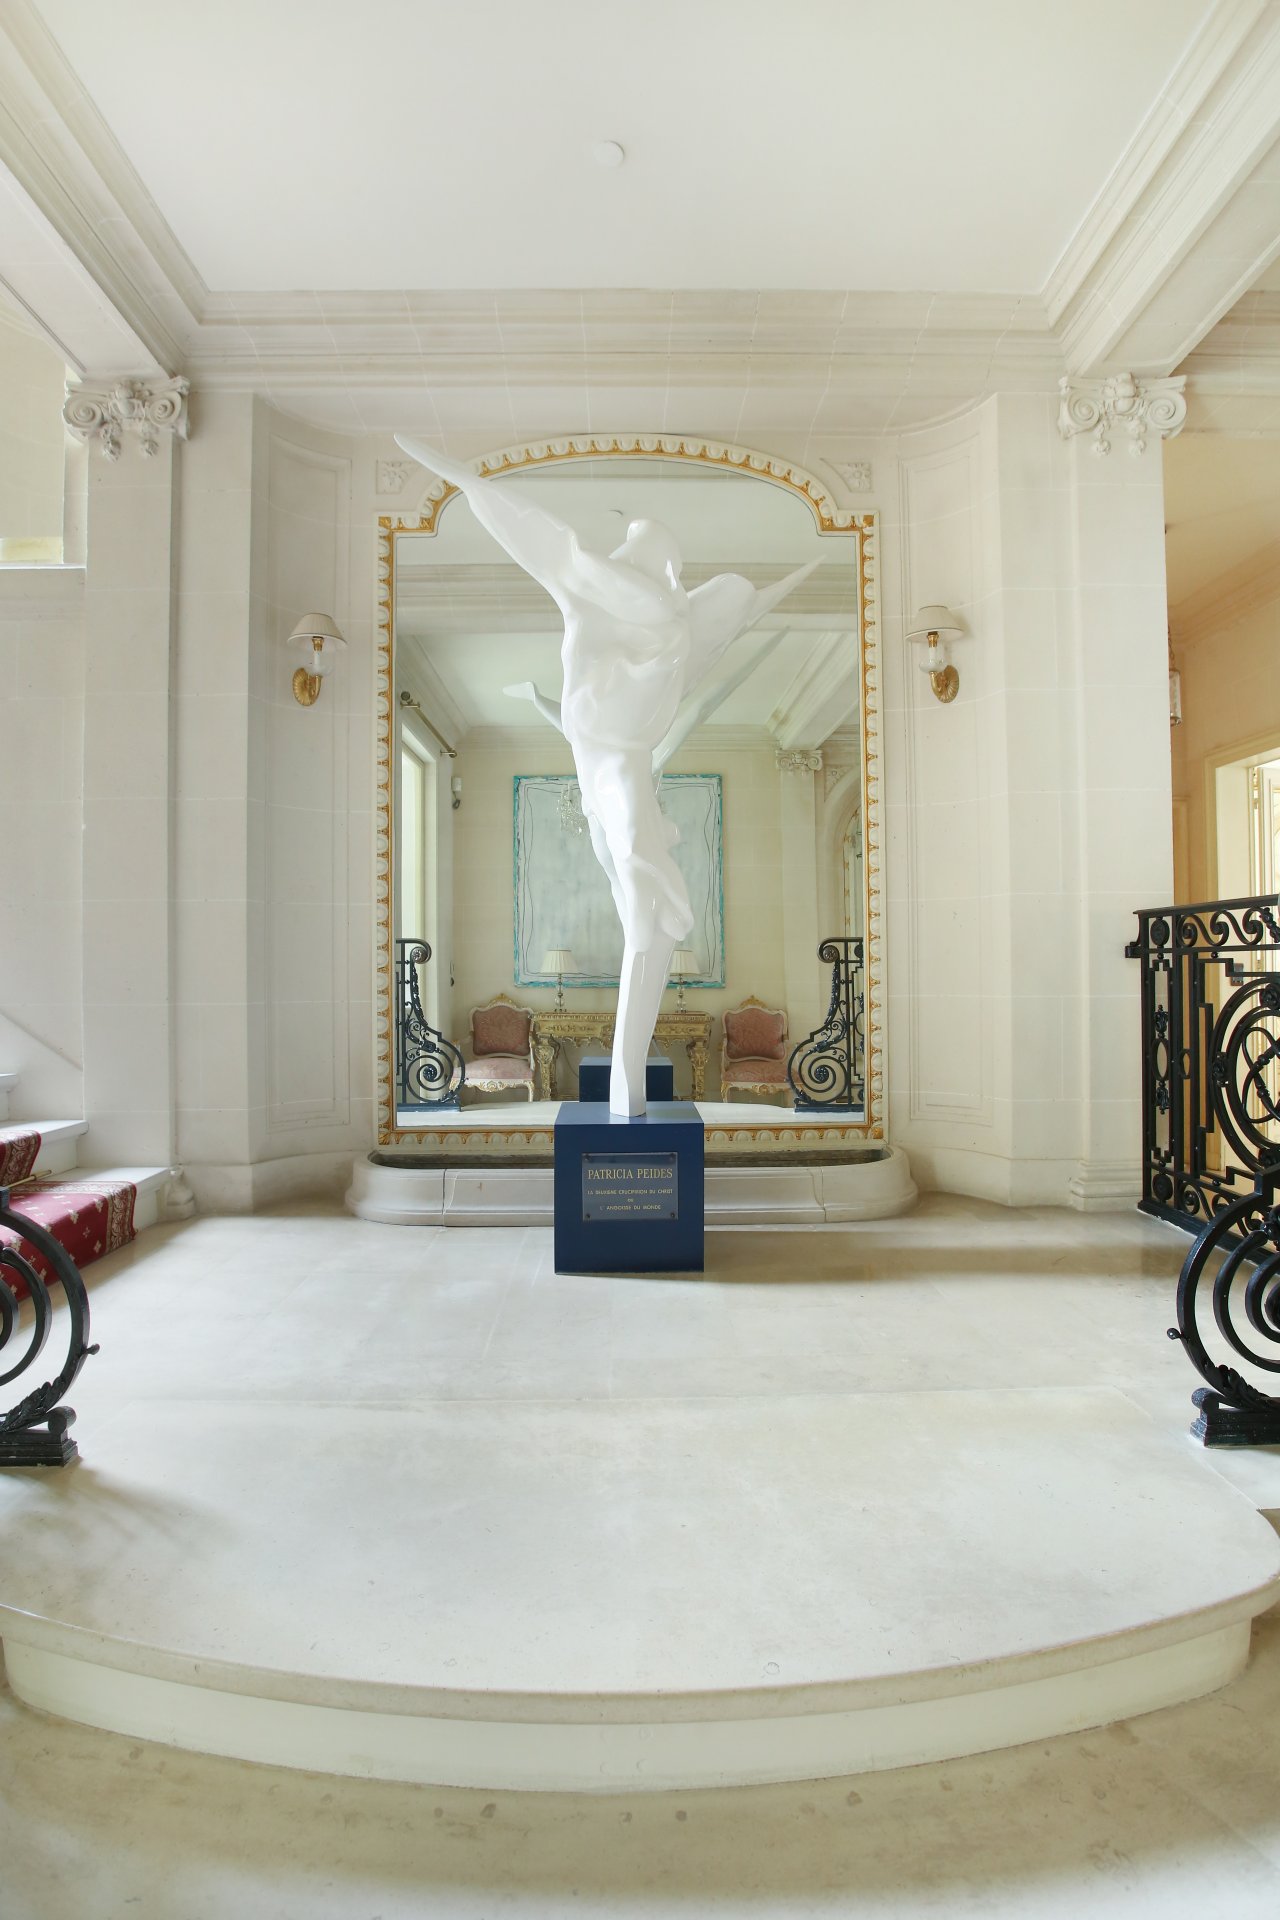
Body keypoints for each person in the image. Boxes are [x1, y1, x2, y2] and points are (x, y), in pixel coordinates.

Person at [395, 436, 817, 1116]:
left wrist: (473, 485)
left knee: (641, 898)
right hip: (604, 765)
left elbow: (549, 547)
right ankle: (634, 1031)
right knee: (634, 889)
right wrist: (469, 484)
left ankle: (634, 1034)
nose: (641, 566)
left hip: (616, 764)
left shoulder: (641, 617)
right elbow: (542, 545)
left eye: (647, 557)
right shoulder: (605, 602)